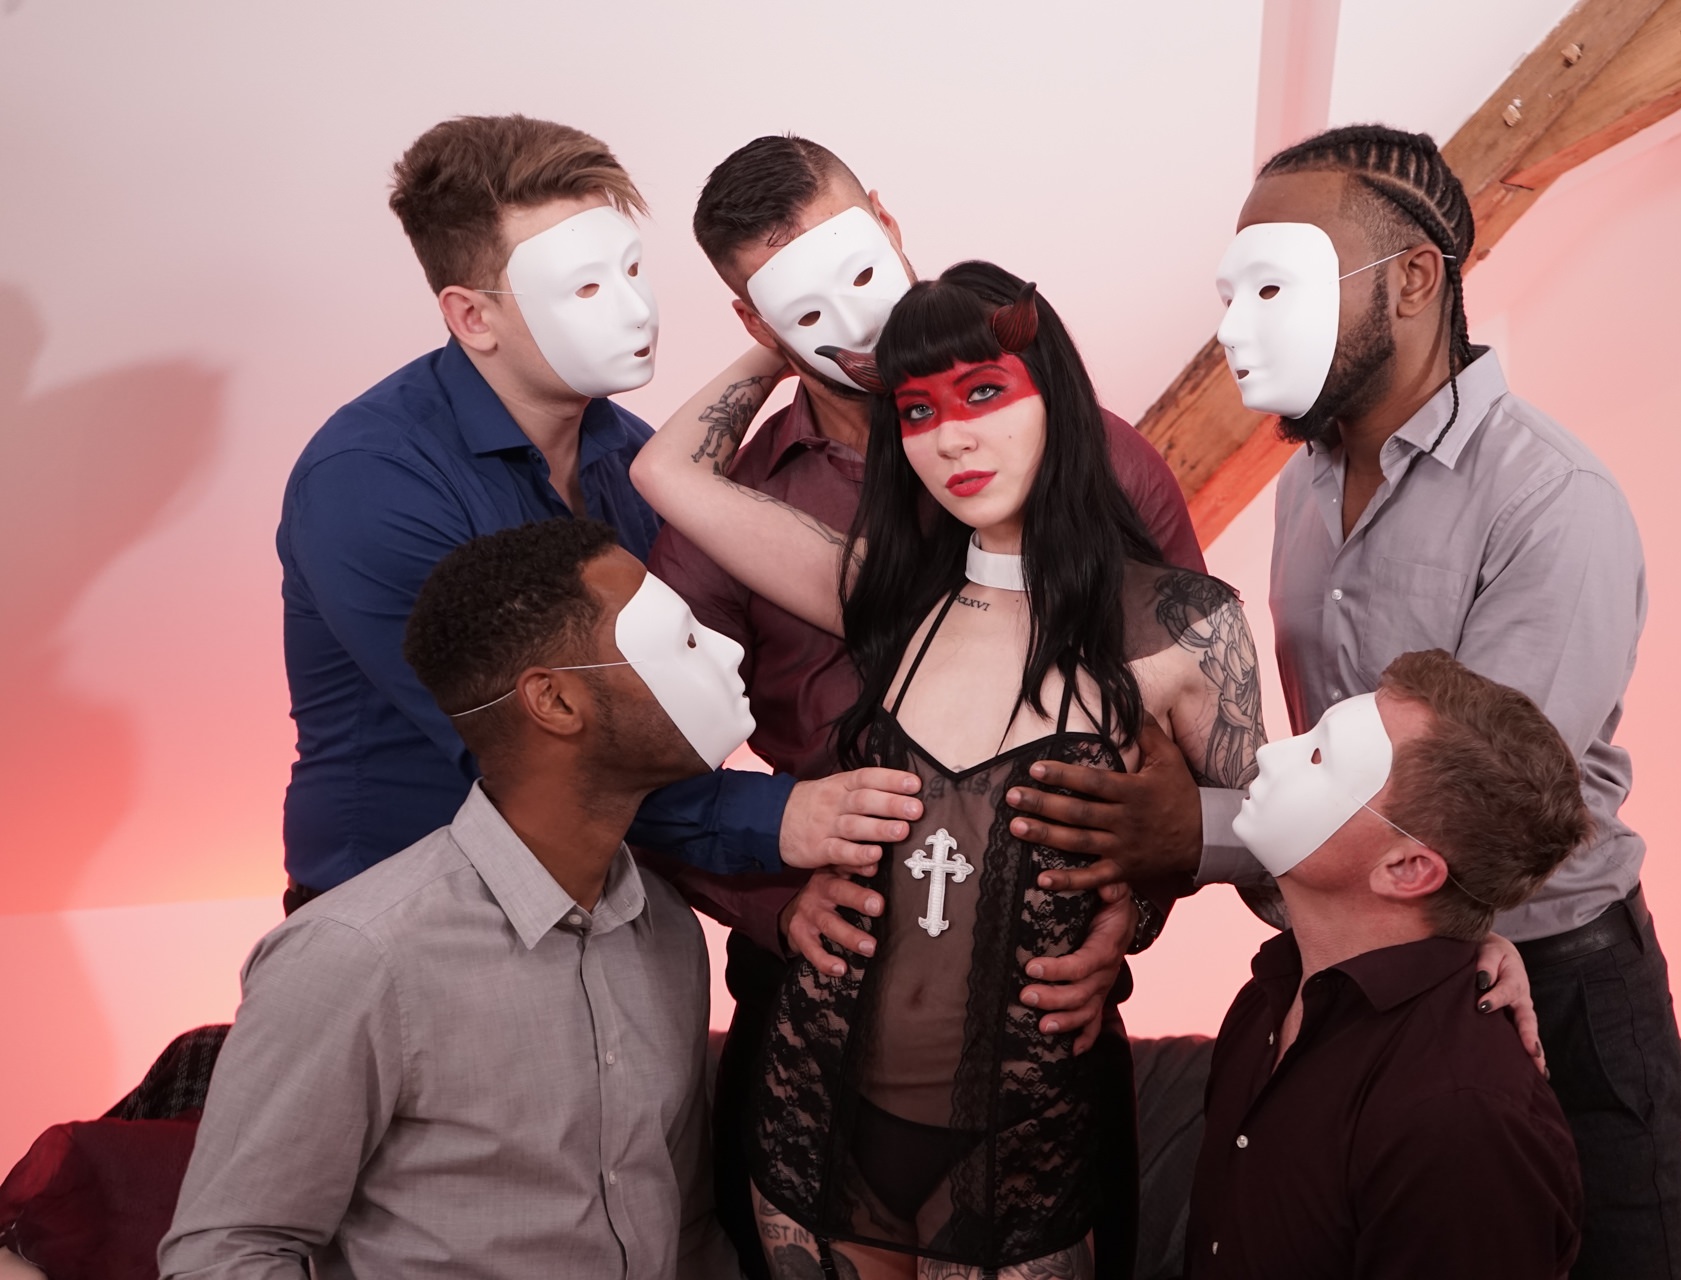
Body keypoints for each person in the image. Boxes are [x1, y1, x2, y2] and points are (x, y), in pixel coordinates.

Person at [1011, 125, 1681, 1279]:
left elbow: (1467, 804)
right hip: (1349, 968)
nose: (1234, 328)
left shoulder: (1550, 499)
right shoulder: (1305, 488)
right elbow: (1332, 762)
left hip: (1540, 972)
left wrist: (1190, 833)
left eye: (1272, 286)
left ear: (1415, 279)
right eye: (1229, 293)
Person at [631, 262, 1265, 1280]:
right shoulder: (883, 594)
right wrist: (783, 332)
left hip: (1023, 1145)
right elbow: (667, 473)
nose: (952, 438)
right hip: (816, 1108)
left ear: (1055, 393)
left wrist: (1149, 888)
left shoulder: (1183, 626)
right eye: (917, 410)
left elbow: (1278, 852)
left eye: (983, 393)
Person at [277, 115, 899, 915]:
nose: (638, 311)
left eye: (633, 269)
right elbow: (530, 753)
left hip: (603, 905)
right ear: (472, 317)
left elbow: (675, 710)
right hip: (403, 917)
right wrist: (780, 822)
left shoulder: (633, 461)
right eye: (586, 288)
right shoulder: (371, 482)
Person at [160, 518, 771, 1279]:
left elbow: (685, 1228)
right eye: (679, 641)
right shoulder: (355, 957)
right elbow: (224, 1256)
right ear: (555, 701)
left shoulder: (669, 932)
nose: (727, 653)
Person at [1186, 649, 1585, 1279]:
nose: (1270, 754)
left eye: (1321, 759)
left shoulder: (1460, 1120)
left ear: (1407, 869)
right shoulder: (1270, 998)